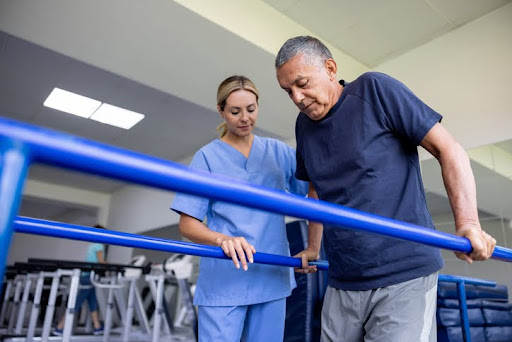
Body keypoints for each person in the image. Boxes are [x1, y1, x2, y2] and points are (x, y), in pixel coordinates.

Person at [274, 36, 497, 342]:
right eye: (288, 91)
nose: (297, 97)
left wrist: (469, 224)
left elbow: (450, 150)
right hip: (343, 279)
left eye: (302, 83)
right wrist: (314, 248)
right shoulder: (304, 126)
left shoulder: (374, 91)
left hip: (403, 274)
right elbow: (316, 189)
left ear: (329, 68)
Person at [170, 75, 317, 342]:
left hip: (271, 275)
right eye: (235, 111)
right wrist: (222, 239)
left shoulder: (277, 152)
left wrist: (313, 246)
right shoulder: (207, 158)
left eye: (251, 109)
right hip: (225, 281)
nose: (245, 118)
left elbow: (312, 193)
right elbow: (187, 223)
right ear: (221, 111)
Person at [53, 224, 106, 336]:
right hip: (89, 276)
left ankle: (97, 327)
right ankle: (60, 327)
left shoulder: (91, 245)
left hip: (86, 275)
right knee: (77, 301)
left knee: (92, 301)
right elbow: (101, 262)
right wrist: (111, 265)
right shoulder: (99, 245)